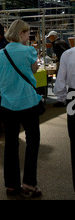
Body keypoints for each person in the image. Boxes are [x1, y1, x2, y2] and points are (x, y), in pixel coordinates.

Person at [0, 19, 42, 198]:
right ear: (21, 33)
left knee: (11, 144)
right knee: (33, 141)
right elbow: (35, 70)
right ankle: (29, 183)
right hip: (28, 102)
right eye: (27, 33)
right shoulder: (29, 51)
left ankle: (12, 185)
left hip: (7, 104)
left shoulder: (0, 54)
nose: (28, 36)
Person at [53, 47, 75, 190]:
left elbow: (60, 82)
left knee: (74, 138)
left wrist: (61, 98)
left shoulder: (68, 54)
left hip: (73, 98)